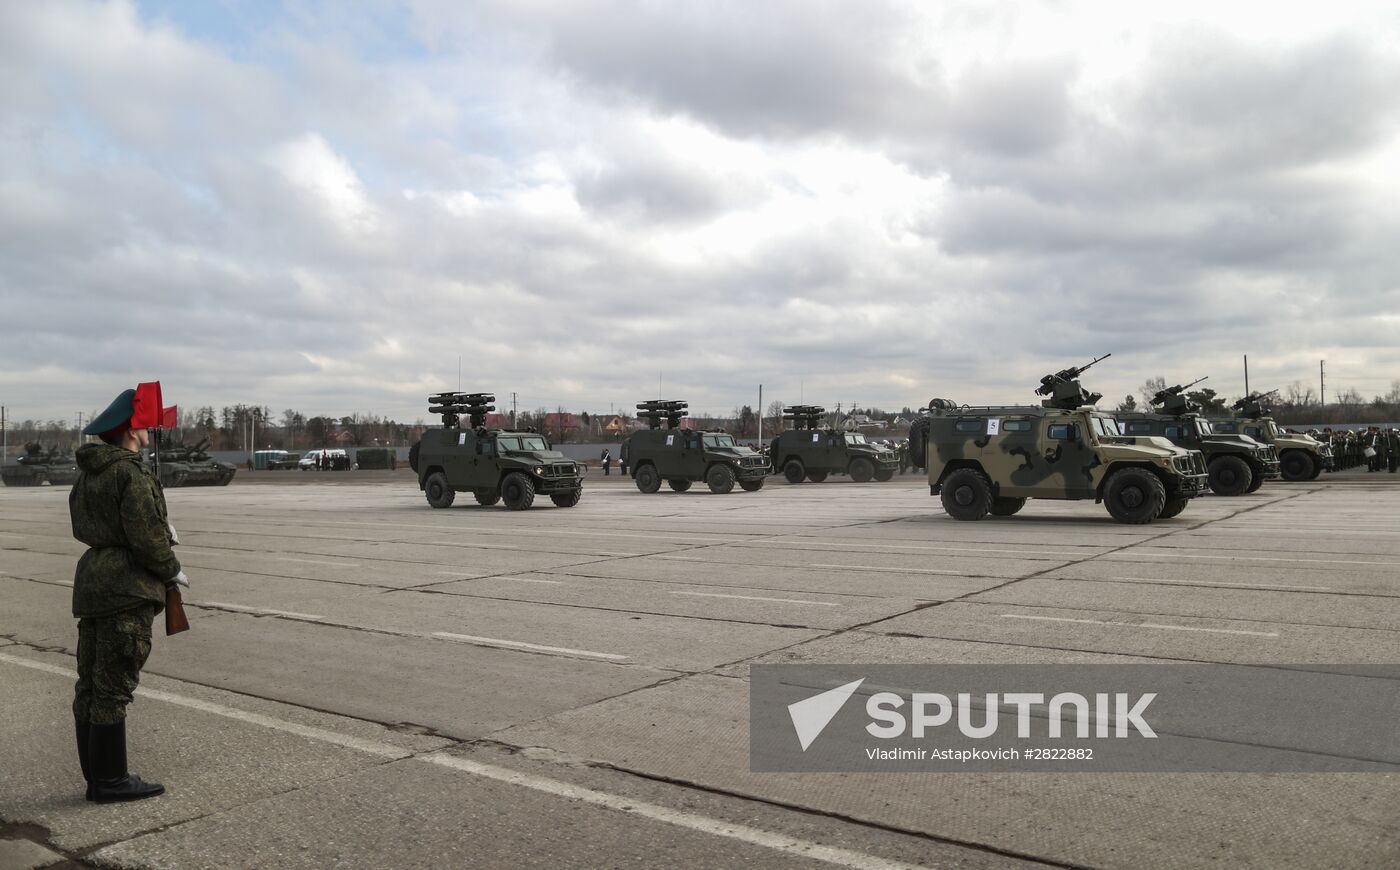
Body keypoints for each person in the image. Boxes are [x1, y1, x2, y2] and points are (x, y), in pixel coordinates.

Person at [70, 388, 188, 803]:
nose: (145, 430)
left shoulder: (89, 473)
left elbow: (85, 526)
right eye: (140, 424)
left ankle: (96, 777)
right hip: (126, 587)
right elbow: (145, 535)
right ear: (129, 431)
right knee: (114, 685)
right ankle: (110, 781)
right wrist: (171, 568)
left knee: (90, 682)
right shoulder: (131, 473)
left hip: (94, 582)